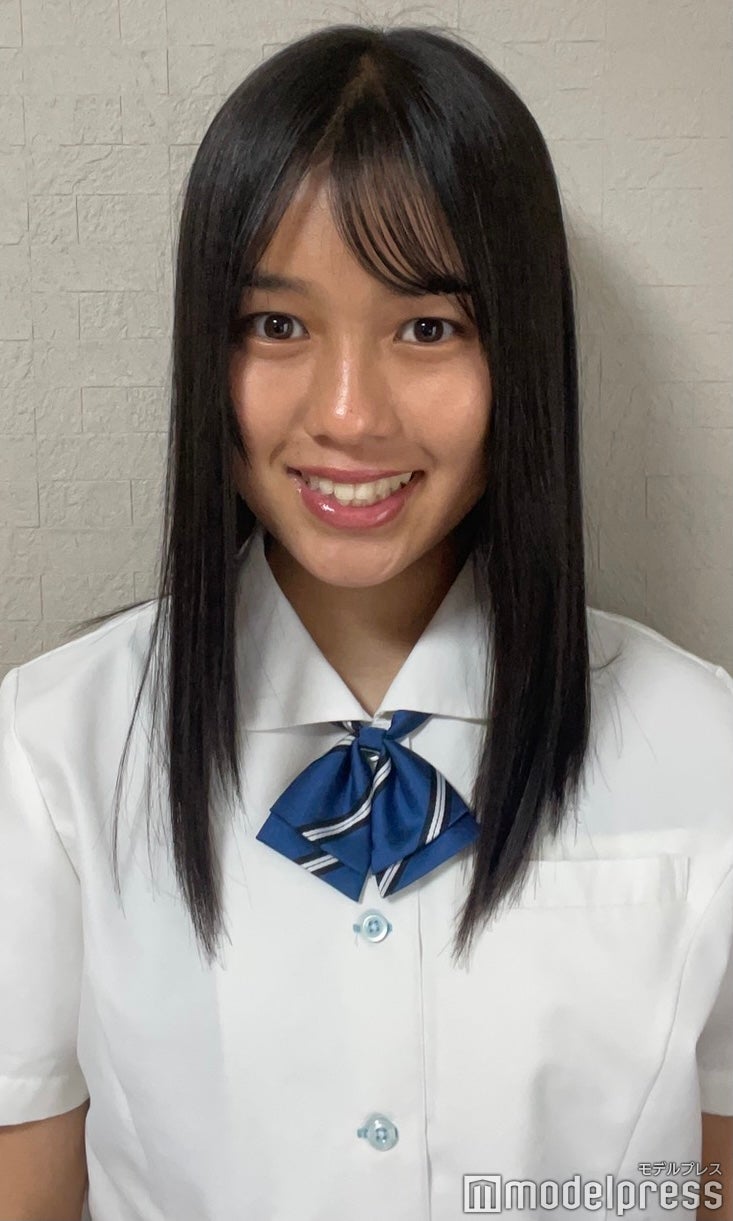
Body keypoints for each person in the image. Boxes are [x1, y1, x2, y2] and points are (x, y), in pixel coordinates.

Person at [1, 22, 731, 1221]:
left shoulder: (702, 741)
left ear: (521, 353)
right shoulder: (51, 751)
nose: (348, 415)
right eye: (276, 326)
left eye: (427, 328)